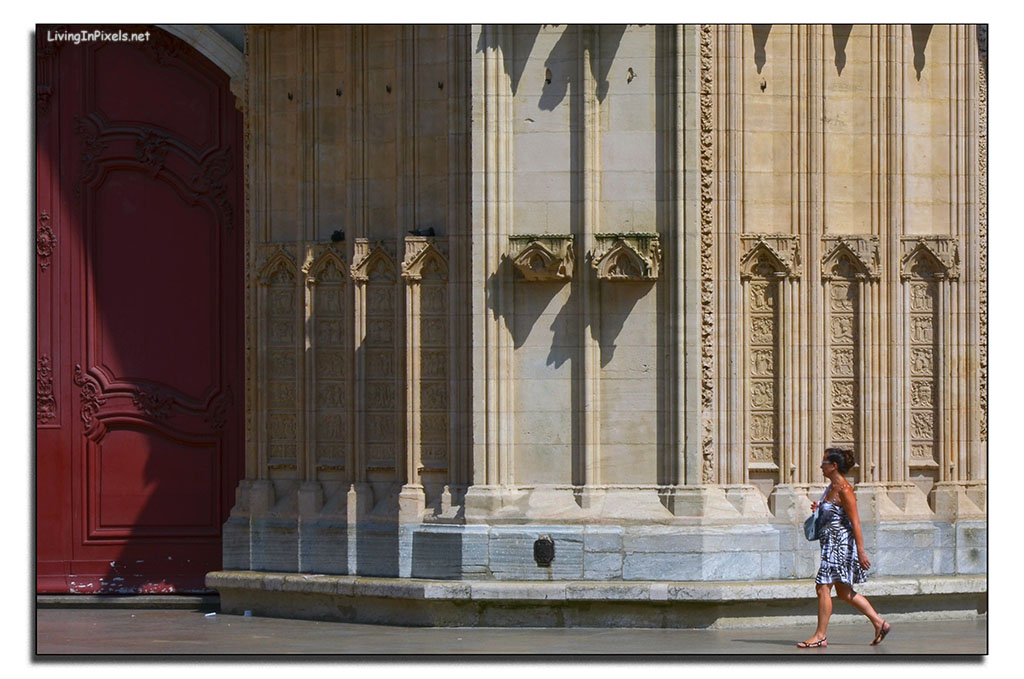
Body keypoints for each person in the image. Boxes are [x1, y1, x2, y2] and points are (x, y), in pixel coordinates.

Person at [797, 447, 892, 648]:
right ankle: (879, 623)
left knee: (823, 587)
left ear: (834, 465)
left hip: (839, 547)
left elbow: (855, 522)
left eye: (824, 462)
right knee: (844, 592)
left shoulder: (845, 490)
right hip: (830, 545)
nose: (820, 466)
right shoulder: (831, 487)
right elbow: (834, 514)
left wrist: (861, 552)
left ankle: (820, 636)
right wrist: (820, 509)